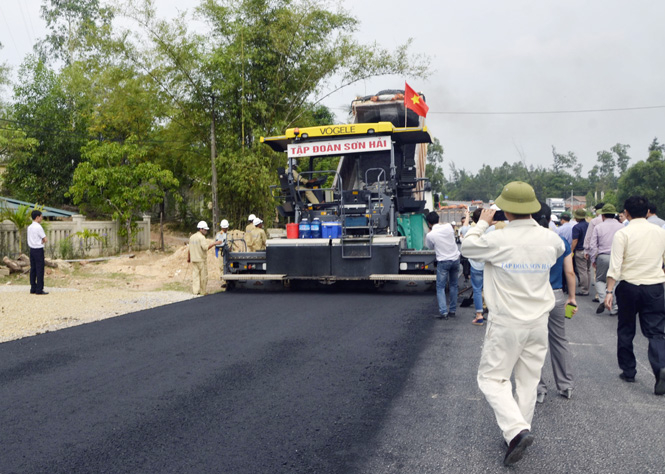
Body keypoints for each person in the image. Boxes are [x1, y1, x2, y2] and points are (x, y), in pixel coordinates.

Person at [461, 181, 565, 466]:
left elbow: (469, 247)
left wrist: (482, 223)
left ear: (505, 210)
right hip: (538, 321)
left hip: (507, 321)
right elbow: (556, 249)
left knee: (492, 378)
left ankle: (516, 431)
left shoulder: (497, 240)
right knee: (528, 380)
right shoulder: (551, 239)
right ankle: (517, 432)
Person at [605, 196, 665, 396]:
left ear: (626, 213)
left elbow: (615, 266)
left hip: (629, 287)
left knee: (626, 328)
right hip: (655, 286)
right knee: (656, 332)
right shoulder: (660, 232)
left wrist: (609, 291)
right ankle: (660, 368)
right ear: (648, 211)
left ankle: (629, 371)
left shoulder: (623, 234)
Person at [534, 203, 577, 403]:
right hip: (557, 294)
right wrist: (572, 298)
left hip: (534, 296)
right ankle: (565, 386)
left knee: (534, 342)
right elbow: (569, 271)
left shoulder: (530, 242)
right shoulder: (560, 241)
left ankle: (539, 388)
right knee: (559, 340)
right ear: (551, 218)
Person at [588, 204, 623, 315]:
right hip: (617, 257)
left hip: (603, 257)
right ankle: (616, 306)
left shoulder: (599, 227)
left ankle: (604, 301)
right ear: (614, 215)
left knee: (600, 280)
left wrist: (593, 259)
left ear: (603, 216)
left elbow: (593, 245)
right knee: (617, 281)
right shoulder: (621, 226)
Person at [425, 211, 460, 320]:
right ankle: (453, 311)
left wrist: (430, 231)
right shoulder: (449, 227)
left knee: (440, 287)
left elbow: (430, 247)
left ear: (428, 223)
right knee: (454, 285)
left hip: (443, 261)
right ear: (438, 219)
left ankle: (444, 312)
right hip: (455, 259)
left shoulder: (430, 235)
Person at [187, 221, 221, 295]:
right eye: (205, 230)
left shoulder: (192, 237)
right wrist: (215, 243)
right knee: (203, 276)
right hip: (201, 260)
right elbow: (206, 248)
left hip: (194, 259)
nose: (206, 231)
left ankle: (195, 291)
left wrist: (188, 258)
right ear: (201, 229)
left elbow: (189, 249)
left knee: (195, 276)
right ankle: (203, 291)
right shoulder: (202, 238)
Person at [583, 202, 605, 302]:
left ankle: (599, 295)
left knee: (598, 274)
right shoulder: (616, 221)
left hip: (598, 252)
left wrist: (587, 250)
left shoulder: (594, 221)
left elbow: (589, 237)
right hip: (612, 251)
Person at [27, 210, 48, 295]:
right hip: (38, 249)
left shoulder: (29, 227)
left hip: (32, 249)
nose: (41, 218)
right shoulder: (38, 227)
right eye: (41, 217)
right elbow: (45, 239)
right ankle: (39, 289)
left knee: (33, 269)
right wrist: (42, 241)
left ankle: (33, 287)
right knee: (40, 269)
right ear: (37, 217)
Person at [571, 208, 590, 296]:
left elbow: (575, 240)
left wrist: (571, 251)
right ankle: (588, 287)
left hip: (580, 250)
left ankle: (584, 290)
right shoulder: (589, 225)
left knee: (582, 271)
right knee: (588, 270)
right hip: (589, 250)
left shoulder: (576, 227)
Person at [215, 219, 229, 288]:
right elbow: (218, 244)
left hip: (229, 253)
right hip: (222, 252)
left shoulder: (228, 234)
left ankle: (229, 281)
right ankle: (224, 281)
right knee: (222, 266)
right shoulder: (219, 234)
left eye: (226, 228)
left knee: (228, 266)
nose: (225, 229)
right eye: (224, 228)